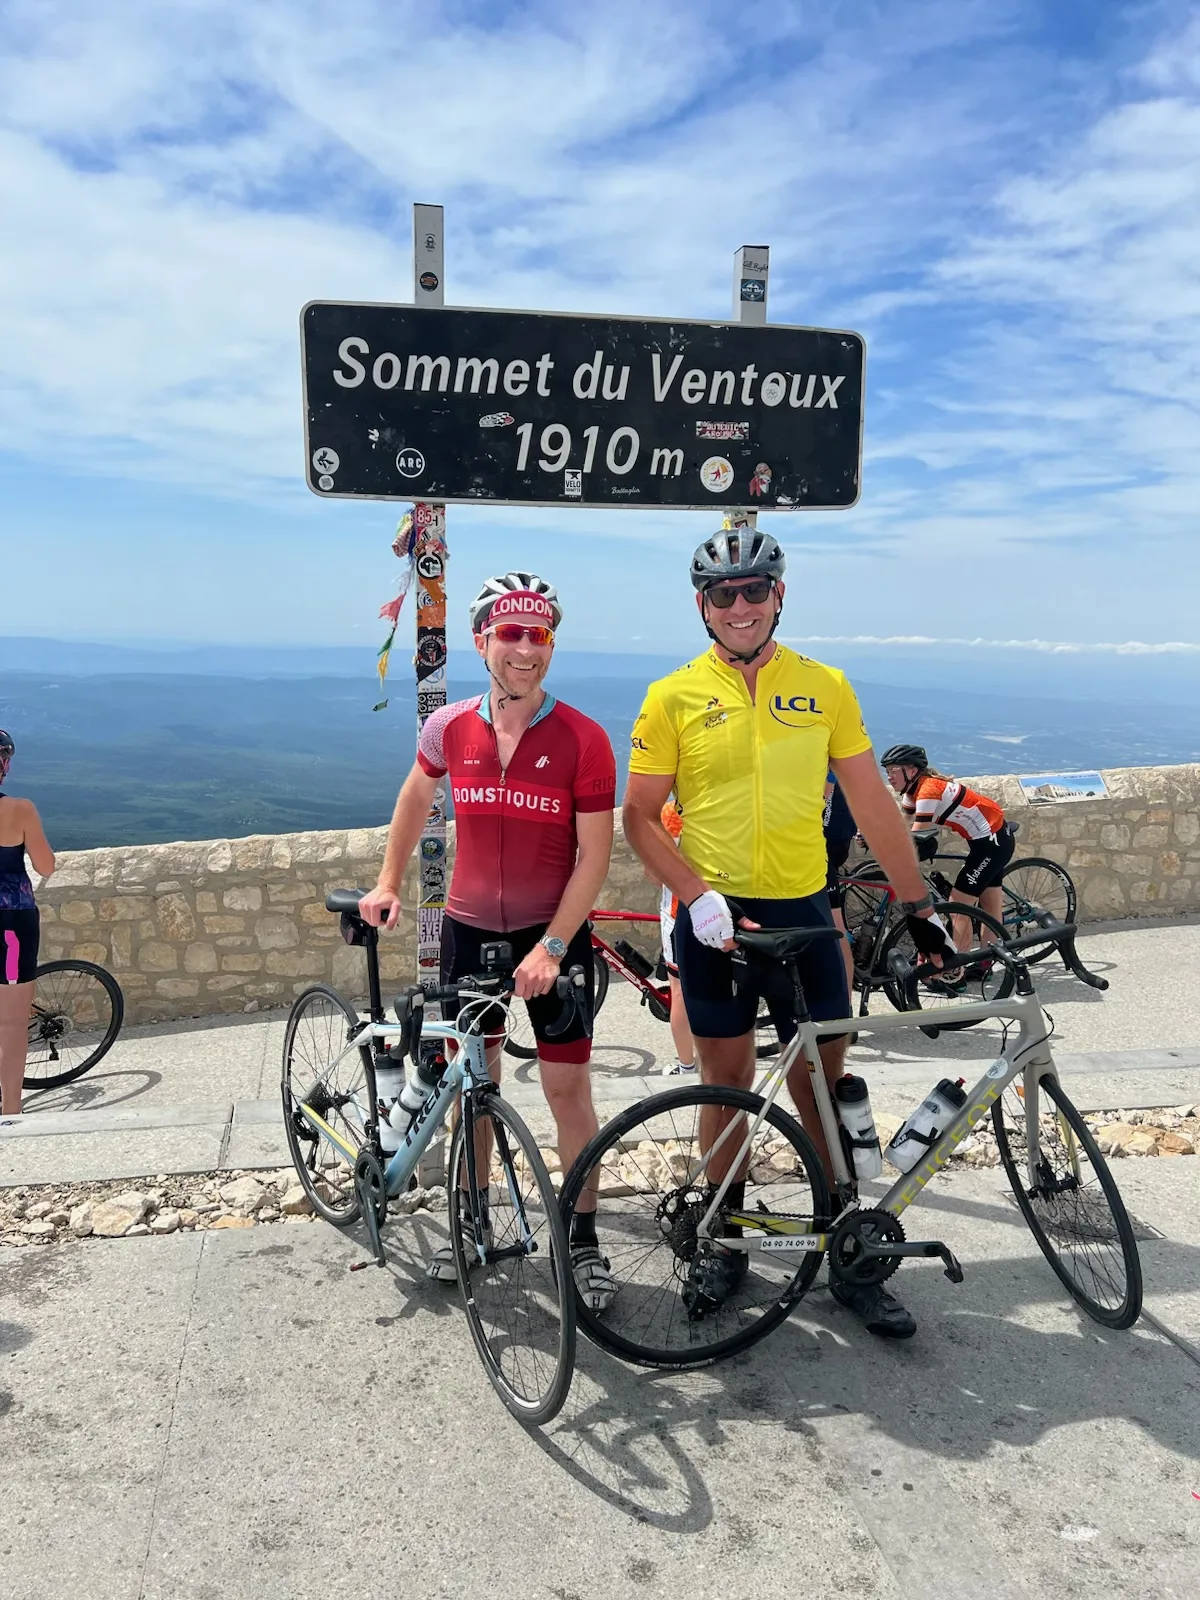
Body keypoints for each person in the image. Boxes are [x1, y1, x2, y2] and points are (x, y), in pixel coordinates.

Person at [623, 529, 954, 1340]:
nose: (740, 606)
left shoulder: (825, 686)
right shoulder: (671, 695)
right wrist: (694, 895)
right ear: (701, 606)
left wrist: (920, 905)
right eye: (723, 594)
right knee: (726, 1084)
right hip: (718, 919)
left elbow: (872, 802)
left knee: (821, 1089)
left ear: (779, 595)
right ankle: (723, 1238)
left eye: (754, 590)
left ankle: (849, 1252)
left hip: (805, 912)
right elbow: (637, 817)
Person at [358, 573, 618, 1308]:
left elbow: (594, 856)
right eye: (510, 634)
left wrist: (555, 947)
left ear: (551, 646)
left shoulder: (583, 737)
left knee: (568, 1089)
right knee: (472, 1087)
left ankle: (585, 1241)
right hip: (469, 931)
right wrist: (386, 882)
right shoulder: (451, 728)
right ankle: (471, 1224)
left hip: (552, 937)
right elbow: (416, 795)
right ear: (482, 642)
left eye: (539, 635)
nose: (525, 649)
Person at [881, 744, 1014, 962]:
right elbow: (901, 826)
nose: (889, 777)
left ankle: (957, 966)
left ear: (911, 771)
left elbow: (915, 836)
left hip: (992, 843)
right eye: (887, 772)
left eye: (893, 771)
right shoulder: (912, 791)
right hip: (990, 839)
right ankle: (985, 962)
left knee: (958, 907)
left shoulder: (928, 790)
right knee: (989, 907)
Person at [0, 731, 56, 1119]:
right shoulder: (20, 810)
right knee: (12, 1022)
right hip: (12, 927)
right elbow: (45, 866)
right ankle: (12, 1113)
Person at [656, 798, 696, 1076]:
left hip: (679, 912)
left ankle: (687, 1066)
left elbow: (654, 870)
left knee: (680, 992)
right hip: (723, 905)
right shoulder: (721, 803)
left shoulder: (671, 813)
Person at [823, 772, 857, 995]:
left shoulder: (825, 765)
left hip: (824, 846)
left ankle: (844, 1007)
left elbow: (820, 803)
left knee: (836, 927)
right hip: (833, 841)